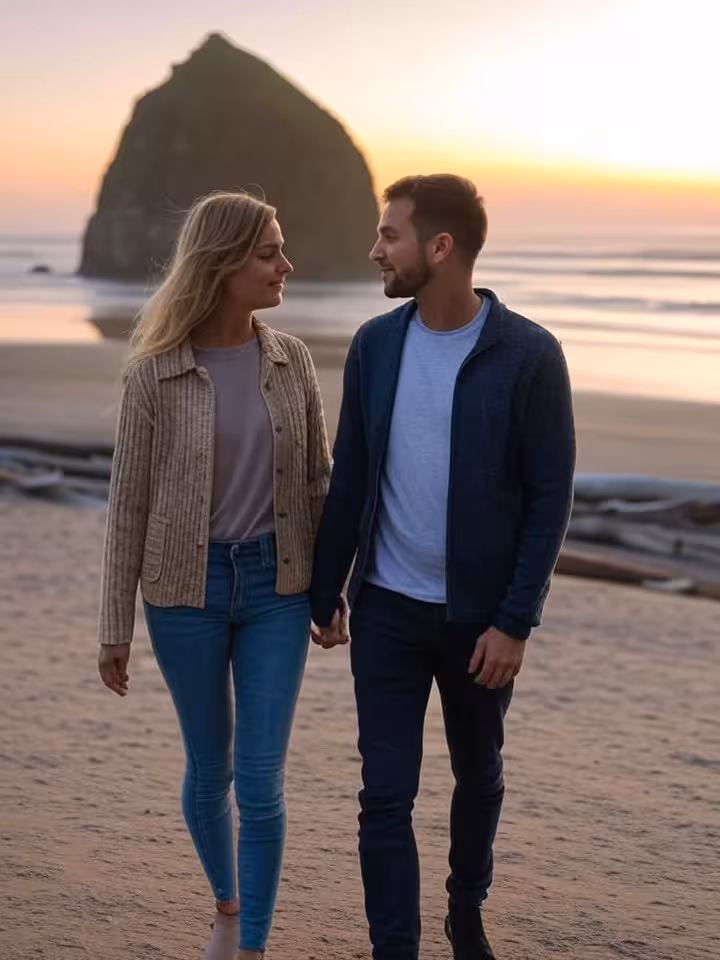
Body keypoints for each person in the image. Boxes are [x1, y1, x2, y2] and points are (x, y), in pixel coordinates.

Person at [310, 174, 576, 960]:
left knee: (479, 775)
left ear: (440, 246)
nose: (375, 250)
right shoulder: (376, 344)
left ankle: (466, 909)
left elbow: (549, 497)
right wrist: (328, 587)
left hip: (478, 621)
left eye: (388, 235)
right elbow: (350, 468)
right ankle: (396, 948)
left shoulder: (528, 355)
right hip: (388, 607)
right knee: (384, 797)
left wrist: (513, 621)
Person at [97, 190, 332, 960]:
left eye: (280, 249)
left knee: (261, 780)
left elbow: (317, 485)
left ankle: (254, 945)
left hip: (276, 589)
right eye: (269, 253)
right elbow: (126, 508)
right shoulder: (154, 375)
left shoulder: (291, 360)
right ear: (223, 263)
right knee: (212, 764)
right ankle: (225, 896)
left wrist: (332, 593)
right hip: (182, 592)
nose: (284, 266)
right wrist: (114, 629)